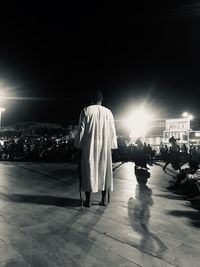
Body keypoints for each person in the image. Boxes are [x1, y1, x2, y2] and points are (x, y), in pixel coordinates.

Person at [74, 91, 118, 207]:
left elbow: (81, 130)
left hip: (89, 147)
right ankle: (103, 200)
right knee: (104, 171)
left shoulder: (86, 110)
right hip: (104, 147)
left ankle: (88, 200)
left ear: (91, 99)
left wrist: (78, 146)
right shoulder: (108, 112)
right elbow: (112, 131)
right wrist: (112, 147)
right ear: (102, 100)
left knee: (89, 171)